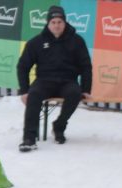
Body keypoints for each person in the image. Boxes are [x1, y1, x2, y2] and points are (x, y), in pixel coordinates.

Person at [16, 5, 93, 152]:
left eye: (59, 22)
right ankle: (29, 138)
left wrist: (86, 89)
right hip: (44, 81)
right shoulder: (36, 42)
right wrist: (24, 90)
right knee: (34, 95)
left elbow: (85, 66)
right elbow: (22, 66)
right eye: (53, 22)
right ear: (48, 23)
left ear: (64, 22)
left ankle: (59, 126)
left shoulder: (77, 41)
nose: (57, 25)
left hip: (68, 81)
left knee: (74, 94)